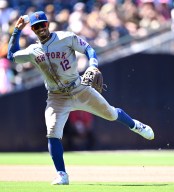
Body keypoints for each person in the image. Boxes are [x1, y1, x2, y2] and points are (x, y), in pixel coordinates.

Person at [7, 11, 154, 185]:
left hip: (78, 89)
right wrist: (16, 31)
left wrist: (92, 66)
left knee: (111, 114)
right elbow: (11, 56)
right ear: (32, 29)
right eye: (36, 26)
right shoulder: (33, 50)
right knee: (53, 133)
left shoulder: (66, 38)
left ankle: (135, 125)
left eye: (43, 25)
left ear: (48, 25)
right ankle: (62, 175)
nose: (41, 29)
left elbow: (89, 49)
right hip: (56, 97)